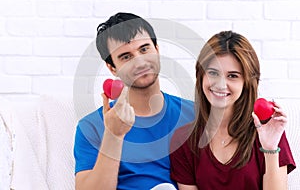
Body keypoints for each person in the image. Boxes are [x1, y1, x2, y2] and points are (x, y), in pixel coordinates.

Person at [73, 12, 195, 189]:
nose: (139, 62)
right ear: (112, 68)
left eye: (144, 49)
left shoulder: (194, 115)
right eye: (126, 57)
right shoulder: (92, 126)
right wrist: (113, 135)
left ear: (157, 50)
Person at [170, 31, 296, 190]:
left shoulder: (268, 131)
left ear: (247, 82)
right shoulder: (184, 140)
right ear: (200, 75)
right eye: (213, 73)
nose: (221, 84)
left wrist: (270, 149)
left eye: (233, 76)